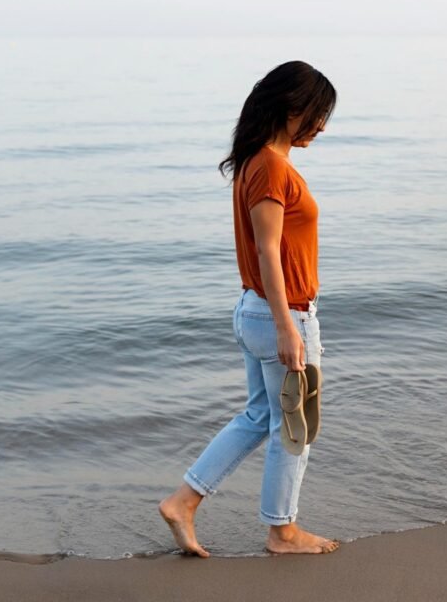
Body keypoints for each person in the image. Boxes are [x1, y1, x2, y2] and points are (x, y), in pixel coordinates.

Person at [158, 60, 339, 557]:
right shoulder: (271, 167)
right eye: (317, 114)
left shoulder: (256, 162)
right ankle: (283, 533)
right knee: (295, 428)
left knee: (261, 416)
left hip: (256, 310)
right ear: (292, 108)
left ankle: (183, 502)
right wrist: (287, 327)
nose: (322, 127)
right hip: (281, 313)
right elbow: (267, 251)